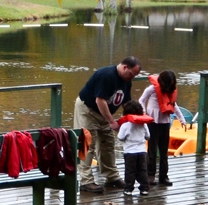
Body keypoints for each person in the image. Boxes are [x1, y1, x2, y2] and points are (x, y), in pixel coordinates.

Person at [73, 55, 142, 192]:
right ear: (124, 67)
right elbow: (100, 100)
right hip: (88, 110)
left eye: (135, 75)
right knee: (87, 144)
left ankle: (111, 177)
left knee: (108, 143)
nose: (132, 77)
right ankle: (86, 181)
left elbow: (126, 102)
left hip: (104, 113)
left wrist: (133, 119)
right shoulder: (106, 75)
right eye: (132, 74)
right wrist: (112, 122)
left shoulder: (126, 80)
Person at [138, 69, 178, 188]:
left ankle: (163, 176)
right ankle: (150, 175)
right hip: (153, 121)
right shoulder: (152, 89)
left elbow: (174, 105)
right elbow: (141, 100)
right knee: (152, 150)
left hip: (165, 122)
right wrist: (144, 111)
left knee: (164, 150)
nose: (170, 85)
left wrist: (181, 119)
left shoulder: (170, 91)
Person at [117, 99, 151, 195]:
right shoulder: (143, 125)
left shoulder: (125, 125)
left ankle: (128, 189)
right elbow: (148, 136)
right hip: (142, 152)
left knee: (130, 171)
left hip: (130, 152)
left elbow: (120, 137)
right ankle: (144, 188)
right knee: (143, 170)